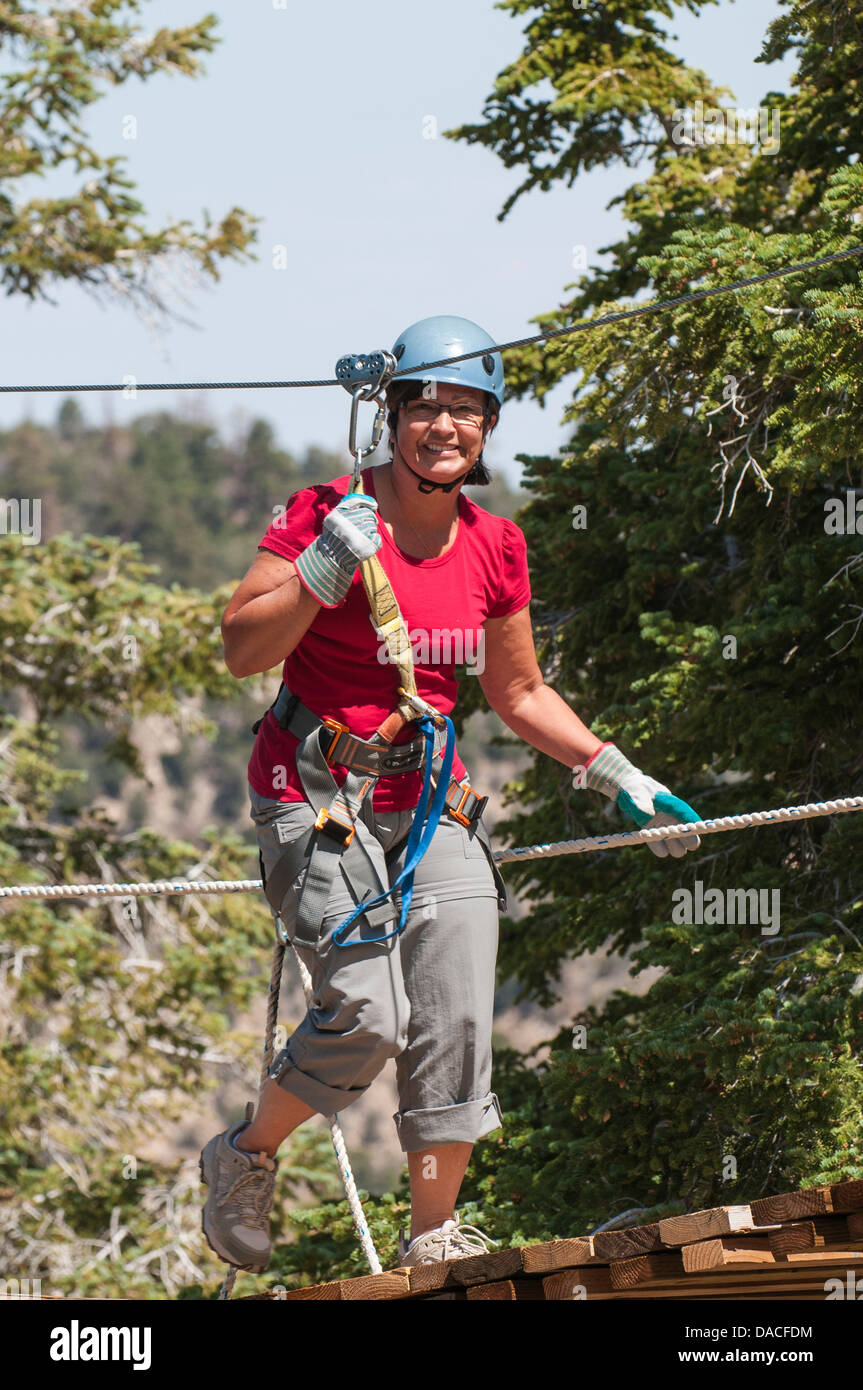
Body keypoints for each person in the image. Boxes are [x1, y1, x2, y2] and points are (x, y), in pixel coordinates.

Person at [199, 315, 701, 1274]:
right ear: (392, 414)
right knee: (370, 1013)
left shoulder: (492, 544)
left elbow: (516, 691)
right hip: (316, 790)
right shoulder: (319, 513)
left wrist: (614, 772)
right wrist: (319, 571)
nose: (445, 425)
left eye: (466, 410)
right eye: (426, 405)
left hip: (429, 798)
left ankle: (432, 1236)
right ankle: (245, 1155)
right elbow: (241, 651)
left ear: (487, 427)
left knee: (457, 1010)